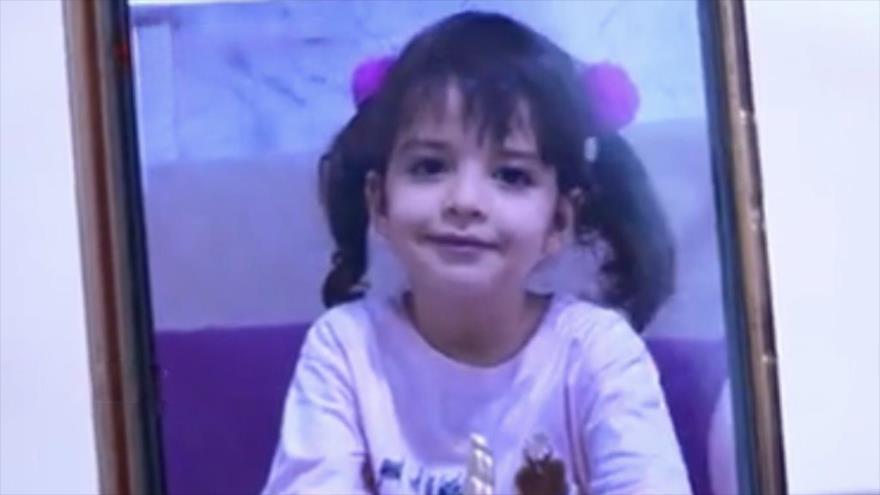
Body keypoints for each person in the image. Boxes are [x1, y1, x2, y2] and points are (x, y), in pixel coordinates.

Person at [264, 11, 688, 495]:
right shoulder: (345, 347)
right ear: (380, 203)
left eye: (511, 175)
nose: (465, 201)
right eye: (429, 167)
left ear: (558, 221)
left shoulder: (598, 353)